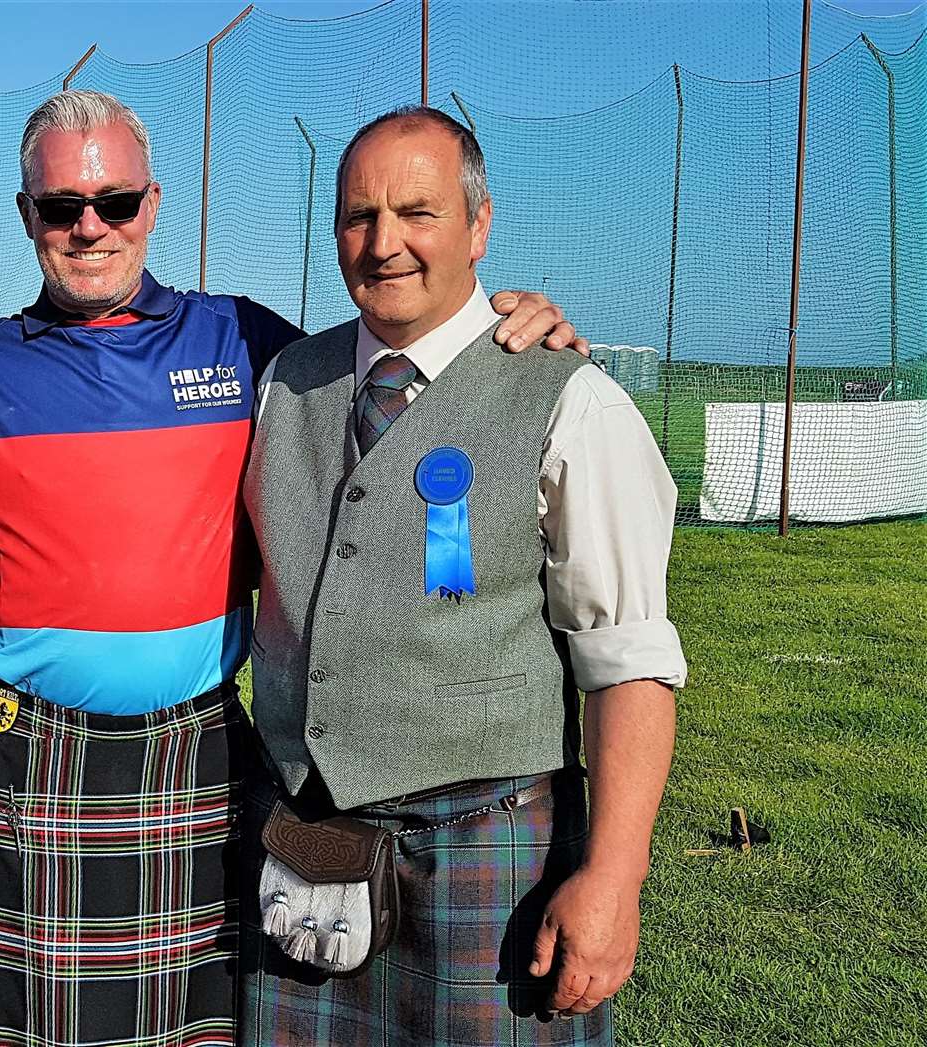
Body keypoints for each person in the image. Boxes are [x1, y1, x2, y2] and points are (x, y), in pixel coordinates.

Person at [0, 89, 579, 1047]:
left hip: (195, 757)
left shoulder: (248, 345)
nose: (89, 227)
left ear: (152, 205)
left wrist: (508, 331)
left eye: (114, 202)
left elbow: (395, 353)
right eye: (61, 206)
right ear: (28, 214)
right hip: (29, 758)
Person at [239, 107, 684, 1045]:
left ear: (479, 227)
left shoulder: (572, 400)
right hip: (310, 845)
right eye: (360, 216)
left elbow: (627, 661)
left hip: (492, 861)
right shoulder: (285, 382)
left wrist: (612, 878)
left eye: (418, 212)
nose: (385, 242)